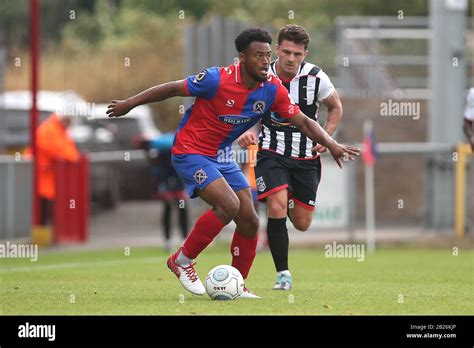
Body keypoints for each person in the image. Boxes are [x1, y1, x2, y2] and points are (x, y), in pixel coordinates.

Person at [107, 28, 360, 298]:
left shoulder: (272, 89)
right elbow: (172, 88)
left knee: (250, 220)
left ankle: (238, 285)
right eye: (258, 56)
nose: (265, 62)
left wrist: (332, 144)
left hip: (221, 156)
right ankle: (181, 260)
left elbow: (304, 121)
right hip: (190, 152)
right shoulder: (216, 79)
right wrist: (129, 103)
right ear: (242, 57)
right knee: (229, 205)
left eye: (266, 55)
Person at [237, 25, 343, 291]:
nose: (291, 58)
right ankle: (283, 274)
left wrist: (326, 138)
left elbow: (335, 107)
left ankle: (288, 203)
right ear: (276, 50)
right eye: (286, 52)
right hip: (270, 152)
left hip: (306, 158)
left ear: (305, 53)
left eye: (297, 53)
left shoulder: (317, 78)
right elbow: (245, 109)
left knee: (302, 223)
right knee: (276, 205)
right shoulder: (261, 74)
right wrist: (246, 132)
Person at [138, 132, 189, 252]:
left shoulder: (160, 147)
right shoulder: (158, 149)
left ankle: (182, 240)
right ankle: (170, 241)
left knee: (180, 207)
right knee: (171, 207)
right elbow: (157, 170)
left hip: (176, 175)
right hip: (169, 177)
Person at [27, 112, 80, 226]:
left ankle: (43, 231)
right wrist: (73, 157)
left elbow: (67, 148)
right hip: (41, 173)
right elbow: (57, 149)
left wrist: (73, 156)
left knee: (44, 204)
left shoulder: (58, 129)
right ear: (65, 121)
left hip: (46, 175)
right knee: (41, 205)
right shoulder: (50, 129)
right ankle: (41, 231)